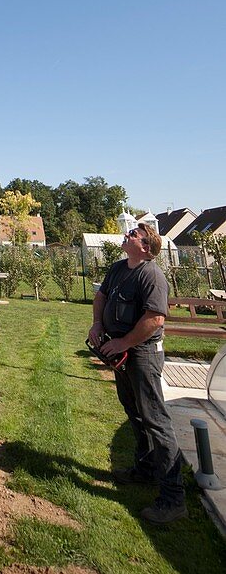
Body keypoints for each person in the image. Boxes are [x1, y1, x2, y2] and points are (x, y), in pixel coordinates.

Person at [88, 223, 186, 524]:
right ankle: (144, 470)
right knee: (135, 412)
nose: (127, 235)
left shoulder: (152, 275)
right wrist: (97, 325)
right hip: (121, 352)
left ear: (146, 247)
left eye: (134, 234)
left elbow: (155, 318)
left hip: (142, 354)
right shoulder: (119, 268)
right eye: (130, 232)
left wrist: (123, 342)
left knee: (156, 421)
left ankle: (173, 499)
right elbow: (101, 297)